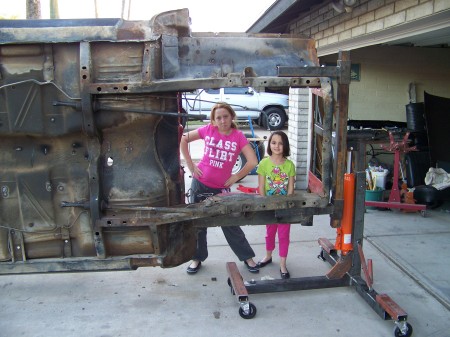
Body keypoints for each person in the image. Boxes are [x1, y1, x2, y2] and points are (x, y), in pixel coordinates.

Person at [180, 102, 260, 275]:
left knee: (230, 223)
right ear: (214, 120)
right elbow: (184, 139)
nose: (222, 120)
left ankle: (247, 257)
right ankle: (197, 258)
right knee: (198, 223)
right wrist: (190, 164)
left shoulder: (238, 136)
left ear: (231, 117)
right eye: (218, 118)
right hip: (199, 184)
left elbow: (253, 161)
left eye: (225, 116)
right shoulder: (208, 129)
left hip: (220, 189)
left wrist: (236, 177)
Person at [256, 131, 295, 279]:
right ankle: (268, 256)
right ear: (269, 144)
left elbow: (291, 189)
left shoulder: (290, 165)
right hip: (269, 207)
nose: (277, 146)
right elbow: (261, 188)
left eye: (280, 143)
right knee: (269, 233)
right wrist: (265, 205)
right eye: (273, 142)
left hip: (285, 208)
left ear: (285, 145)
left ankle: (283, 264)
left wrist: (287, 204)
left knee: (284, 235)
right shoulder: (264, 164)